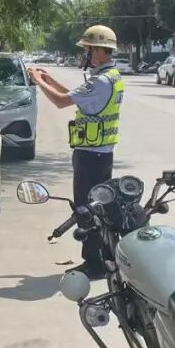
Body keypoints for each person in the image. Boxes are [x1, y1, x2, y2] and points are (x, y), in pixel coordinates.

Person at [29, 25, 124, 275]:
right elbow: (74, 96)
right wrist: (50, 80)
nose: (87, 55)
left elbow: (62, 102)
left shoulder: (100, 81)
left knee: (86, 209)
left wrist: (37, 81)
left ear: (100, 50)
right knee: (98, 206)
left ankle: (94, 263)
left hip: (90, 155)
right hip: (102, 152)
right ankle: (103, 257)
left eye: (89, 50)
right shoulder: (111, 76)